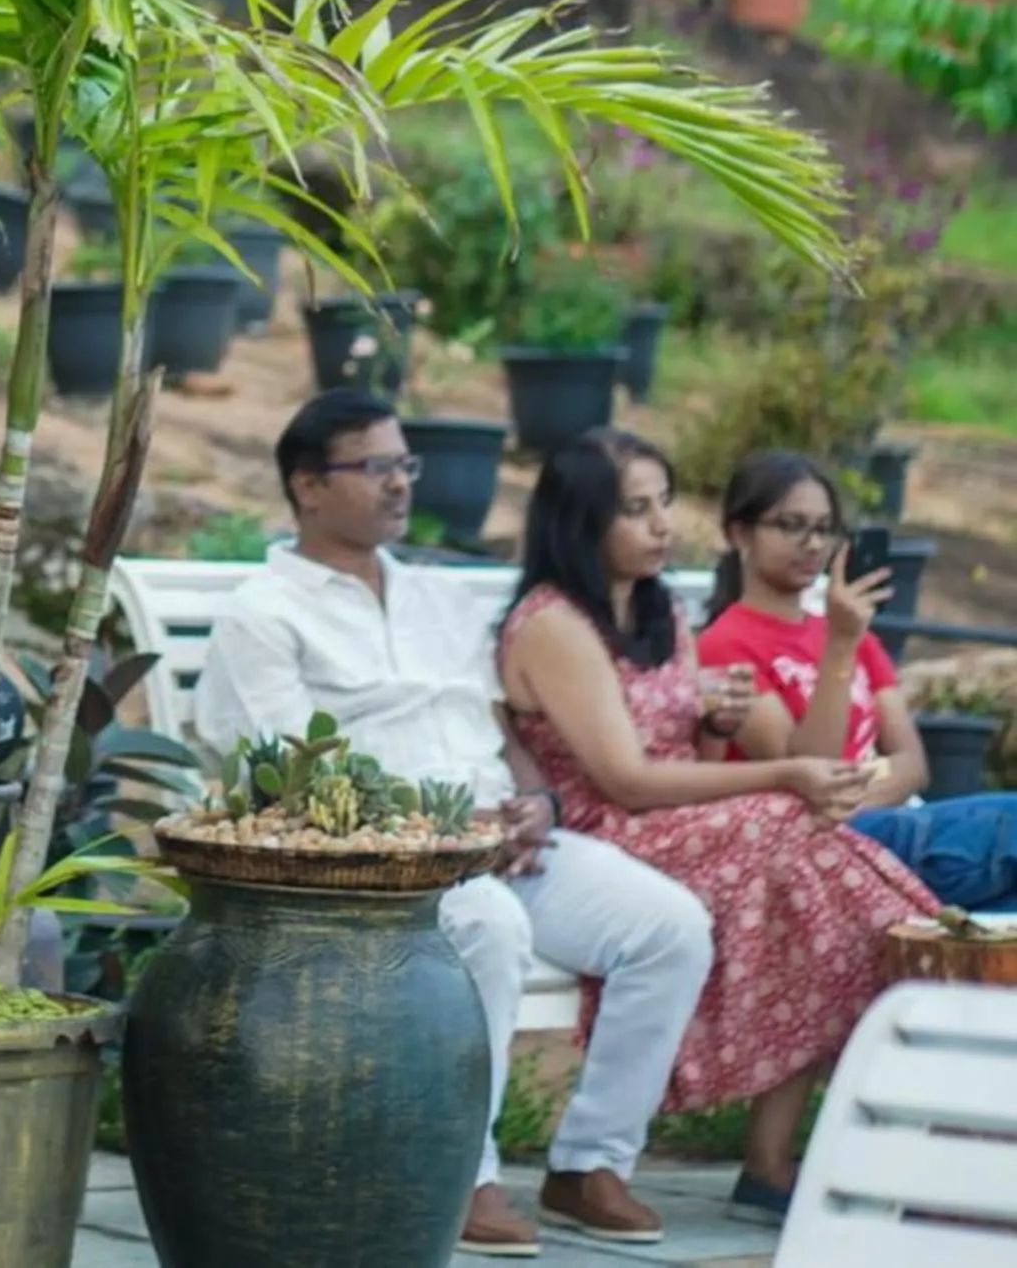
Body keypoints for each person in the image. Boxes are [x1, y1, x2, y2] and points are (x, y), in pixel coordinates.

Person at [192, 390, 715, 1259]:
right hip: (376, 871)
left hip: (499, 843)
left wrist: (535, 800)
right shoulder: (265, 614)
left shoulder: (436, 594)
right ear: (309, 487)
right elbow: (281, 775)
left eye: (407, 464)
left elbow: (500, 728)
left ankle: (589, 1163)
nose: (400, 484)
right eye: (376, 466)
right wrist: (438, 832)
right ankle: (459, 1176)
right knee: (487, 928)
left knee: (670, 928)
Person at [497, 429, 937, 1228]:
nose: (664, 524)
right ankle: (922, 957)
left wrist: (713, 718)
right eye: (636, 509)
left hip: (678, 826)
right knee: (799, 836)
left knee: (828, 900)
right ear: (581, 522)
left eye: (664, 502)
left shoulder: (659, 606)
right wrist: (781, 773)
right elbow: (624, 781)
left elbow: (682, 752)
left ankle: (910, 957)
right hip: (593, 834)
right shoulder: (553, 623)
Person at [696, 449, 1017, 914]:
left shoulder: (844, 629)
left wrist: (851, 800)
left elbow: (912, 764)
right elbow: (805, 772)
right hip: (803, 851)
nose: (812, 544)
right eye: (790, 525)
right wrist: (840, 649)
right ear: (739, 532)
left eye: (824, 528)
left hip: (874, 825)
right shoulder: (726, 645)